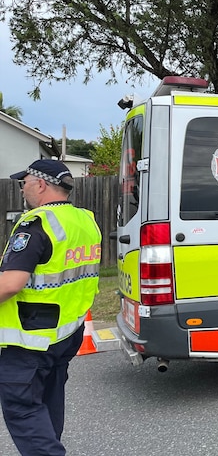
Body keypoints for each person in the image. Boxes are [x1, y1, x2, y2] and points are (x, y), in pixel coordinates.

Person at [0, 159, 101, 455]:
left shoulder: (36, 223)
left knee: (24, 409)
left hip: (29, 337)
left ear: (41, 184)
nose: (22, 189)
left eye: (25, 182)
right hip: (67, 331)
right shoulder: (85, 220)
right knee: (47, 402)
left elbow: (11, 284)